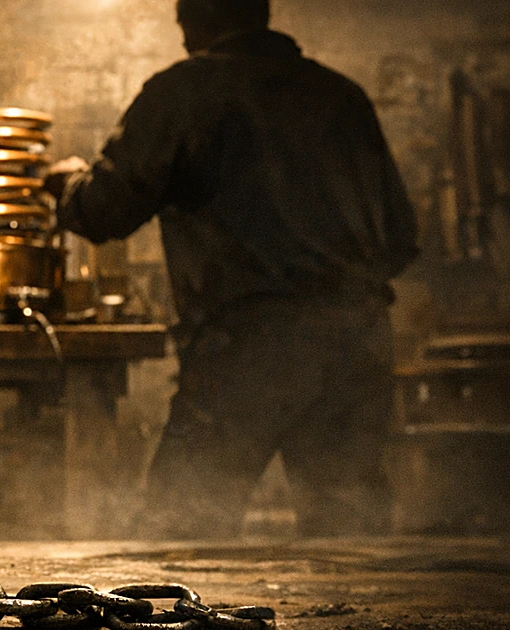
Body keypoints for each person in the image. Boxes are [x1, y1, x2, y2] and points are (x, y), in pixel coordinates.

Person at [44, 0, 419, 538]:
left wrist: (68, 185)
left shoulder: (185, 90)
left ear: (191, 21)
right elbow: (402, 239)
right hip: (357, 343)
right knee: (352, 537)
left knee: (181, 533)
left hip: (251, 347)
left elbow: (106, 209)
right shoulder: (342, 97)